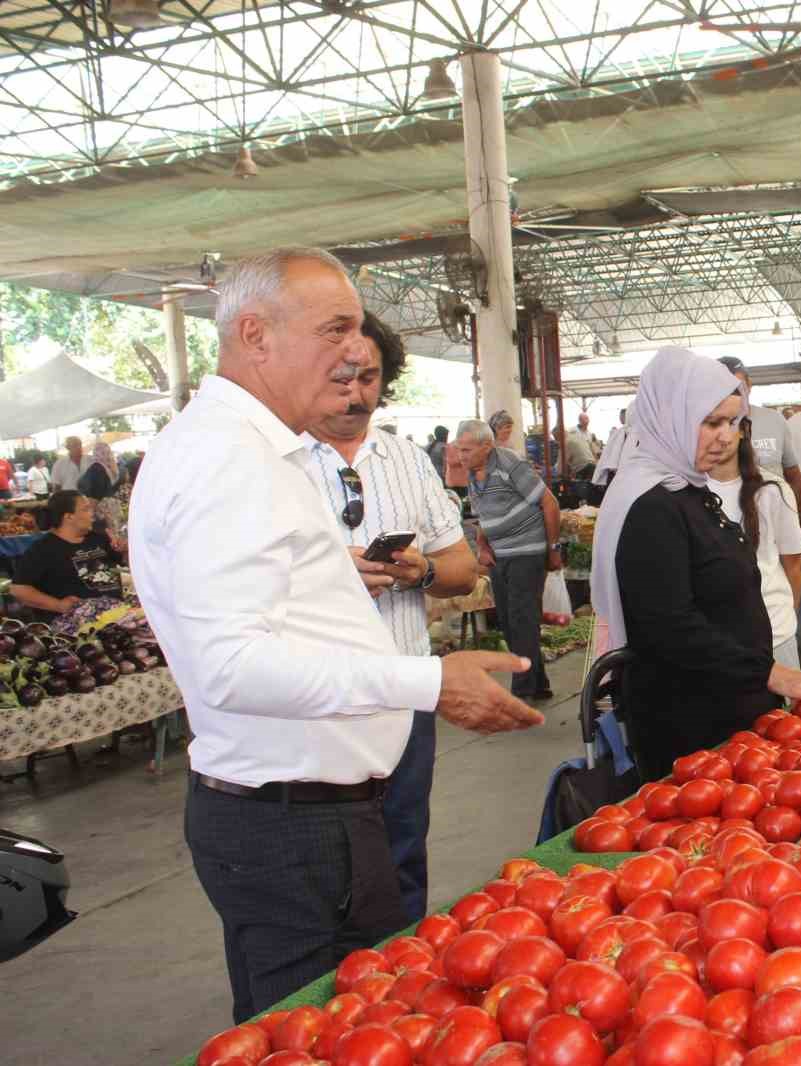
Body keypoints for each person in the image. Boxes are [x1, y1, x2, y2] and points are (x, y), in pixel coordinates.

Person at [127, 246, 543, 1025]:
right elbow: (231, 667)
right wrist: (426, 681)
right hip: (291, 828)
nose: (357, 351)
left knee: (360, 1019)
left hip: (318, 817)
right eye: (336, 329)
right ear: (255, 335)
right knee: (311, 1031)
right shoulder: (226, 458)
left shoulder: (254, 448)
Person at [302, 311, 480, 926]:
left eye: (370, 378)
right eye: (342, 378)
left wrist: (420, 571)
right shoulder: (276, 463)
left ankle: (401, 969)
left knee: (403, 850)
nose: (356, 394)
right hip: (320, 703)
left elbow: (462, 567)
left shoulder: (407, 459)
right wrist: (333, 578)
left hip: (405, 697)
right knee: (326, 873)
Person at [591, 348, 801, 780]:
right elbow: (668, 628)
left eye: (733, 422)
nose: (726, 436)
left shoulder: (684, 486)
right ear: (670, 417)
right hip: (692, 726)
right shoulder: (650, 505)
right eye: (711, 422)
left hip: (728, 708)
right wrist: (769, 672)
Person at [456, 418, 561, 703]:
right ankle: (538, 684)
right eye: (459, 449)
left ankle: (521, 691)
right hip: (500, 556)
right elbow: (484, 515)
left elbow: (549, 503)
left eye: (466, 450)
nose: (461, 456)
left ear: (486, 446)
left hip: (527, 552)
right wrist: (482, 546)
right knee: (508, 621)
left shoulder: (509, 464)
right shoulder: (472, 474)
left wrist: (553, 549)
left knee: (522, 620)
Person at [708, 420, 801, 668]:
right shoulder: (685, 490)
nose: (720, 435)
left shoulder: (773, 489)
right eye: (710, 423)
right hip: (717, 642)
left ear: (744, 429)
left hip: (776, 634)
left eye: (729, 423)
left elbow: (793, 566)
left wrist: (786, 621)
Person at [716, 357, 801, 545]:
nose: (733, 393)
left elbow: (794, 477)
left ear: (749, 385)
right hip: (730, 530)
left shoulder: (774, 420)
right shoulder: (710, 428)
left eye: (738, 386)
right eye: (724, 387)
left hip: (778, 528)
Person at [10, 491, 122, 619]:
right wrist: (58, 605)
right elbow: (18, 589)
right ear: (69, 517)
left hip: (117, 612)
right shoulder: (43, 549)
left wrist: (124, 550)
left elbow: (125, 564)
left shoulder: (98, 538)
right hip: (78, 622)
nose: (92, 513)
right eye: (86, 509)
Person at [565, 413, 598, 478]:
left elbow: (592, 448)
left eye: (588, 419)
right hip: (578, 463)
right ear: (580, 420)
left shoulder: (589, 434)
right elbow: (568, 446)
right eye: (585, 419)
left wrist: (595, 461)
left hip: (589, 462)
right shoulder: (572, 431)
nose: (587, 421)